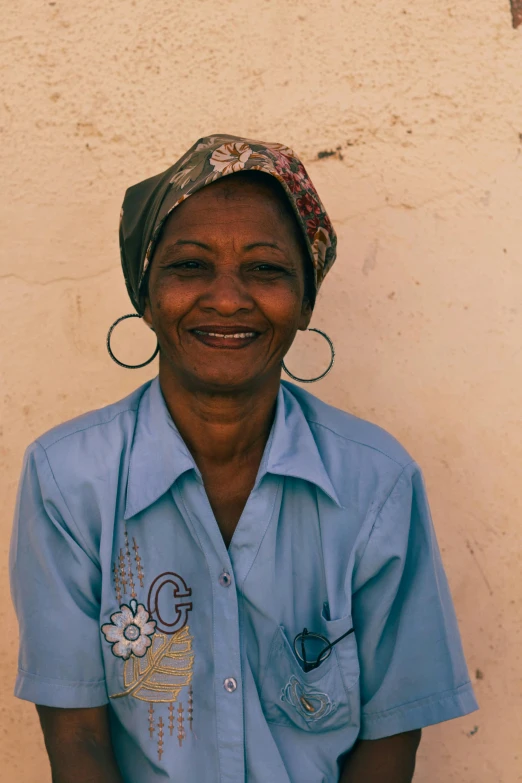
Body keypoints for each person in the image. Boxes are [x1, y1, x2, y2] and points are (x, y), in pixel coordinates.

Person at [10, 133, 478, 783]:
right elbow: (79, 741)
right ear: (145, 295)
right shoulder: (69, 480)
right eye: (190, 265)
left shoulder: (377, 483)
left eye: (265, 268)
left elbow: (390, 741)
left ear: (306, 301)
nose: (228, 298)